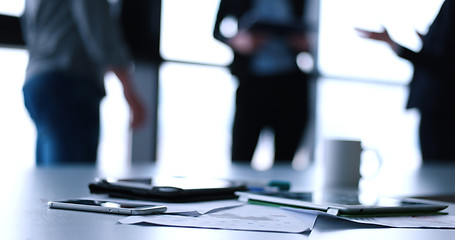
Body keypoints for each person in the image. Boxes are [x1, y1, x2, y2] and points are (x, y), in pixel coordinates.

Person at [21, 0, 146, 166]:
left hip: (38, 82)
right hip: (69, 83)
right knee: (69, 184)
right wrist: (129, 90)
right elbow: (99, 30)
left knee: (50, 179)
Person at [213, 0, 311, 163]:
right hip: (252, 83)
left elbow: (302, 31)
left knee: (285, 158)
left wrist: (302, 43)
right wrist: (238, 41)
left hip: (290, 84)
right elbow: (217, 31)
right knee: (241, 154)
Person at [356, 0, 455, 162]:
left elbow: (444, 63)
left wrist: (394, 45)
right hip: (438, 105)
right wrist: (428, 42)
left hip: (440, 105)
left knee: (437, 167)